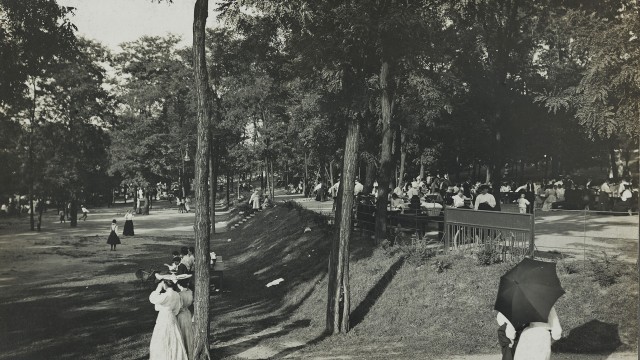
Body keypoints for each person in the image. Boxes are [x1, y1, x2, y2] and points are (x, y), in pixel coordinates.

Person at [148, 279, 189, 360]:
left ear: (165, 284)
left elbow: (152, 299)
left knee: (162, 336)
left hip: (163, 317)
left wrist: (158, 288)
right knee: (173, 335)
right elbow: (177, 309)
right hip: (172, 316)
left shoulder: (166, 295)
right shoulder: (176, 295)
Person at [176, 278, 194, 358]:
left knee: (182, 333)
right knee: (188, 333)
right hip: (188, 313)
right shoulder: (190, 292)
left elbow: (178, 307)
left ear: (179, 285)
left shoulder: (179, 294)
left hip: (181, 315)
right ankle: (189, 350)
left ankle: (184, 352)